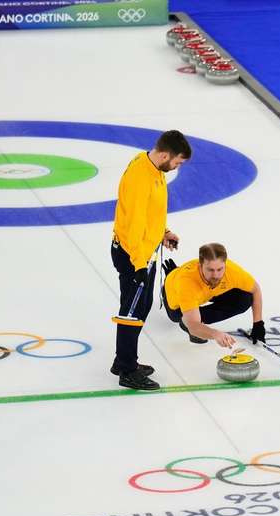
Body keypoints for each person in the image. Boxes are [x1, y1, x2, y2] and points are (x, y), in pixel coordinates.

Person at [110, 130, 190, 390]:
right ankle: (127, 370)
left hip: (146, 252)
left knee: (141, 307)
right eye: (177, 162)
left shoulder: (154, 168)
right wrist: (139, 265)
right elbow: (134, 224)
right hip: (134, 256)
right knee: (132, 312)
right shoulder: (140, 177)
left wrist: (163, 232)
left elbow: (150, 212)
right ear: (165, 155)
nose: (177, 167)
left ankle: (123, 360)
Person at [161, 243, 265, 348]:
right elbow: (192, 326)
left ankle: (189, 319)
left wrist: (258, 325)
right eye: (210, 270)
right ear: (200, 265)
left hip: (208, 292)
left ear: (225, 264)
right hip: (176, 300)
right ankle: (171, 279)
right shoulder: (187, 283)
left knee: (244, 299)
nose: (216, 275)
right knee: (179, 318)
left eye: (220, 269)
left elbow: (255, 290)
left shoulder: (231, 271)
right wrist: (214, 333)